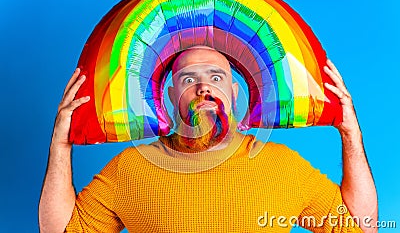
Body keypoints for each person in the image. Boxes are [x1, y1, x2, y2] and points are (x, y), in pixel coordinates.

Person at [39, 46, 378, 232]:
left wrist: (350, 133)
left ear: (234, 92)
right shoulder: (130, 168)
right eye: (189, 79)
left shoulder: (282, 165)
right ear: (171, 96)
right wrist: (60, 144)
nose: (204, 88)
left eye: (216, 77)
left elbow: (360, 228)